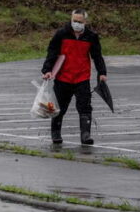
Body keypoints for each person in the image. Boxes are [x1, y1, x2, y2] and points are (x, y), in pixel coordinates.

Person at [41, 9, 107, 145]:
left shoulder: (91, 36)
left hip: (82, 77)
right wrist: (47, 70)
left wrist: (102, 73)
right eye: (74, 21)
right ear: (71, 20)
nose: (76, 23)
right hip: (62, 77)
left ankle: (85, 135)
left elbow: (97, 56)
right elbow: (52, 51)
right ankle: (56, 133)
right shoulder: (61, 34)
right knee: (59, 107)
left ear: (85, 22)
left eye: (79, 21)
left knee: (85, 107)